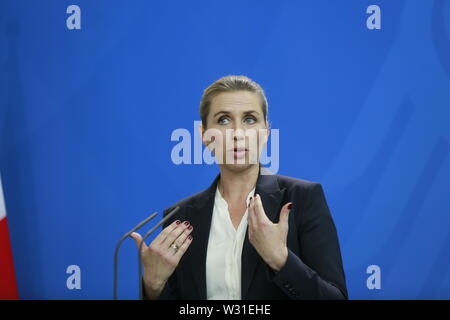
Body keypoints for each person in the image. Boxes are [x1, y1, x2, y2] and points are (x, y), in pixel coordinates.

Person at [130, 75, 348, 300]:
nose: (237, 133)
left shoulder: (302, 199)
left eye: (250, 119)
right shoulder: (181, 216)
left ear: (266, 132)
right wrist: (153, 287)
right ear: (204, 135)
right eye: (223, 120)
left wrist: (281, 260)